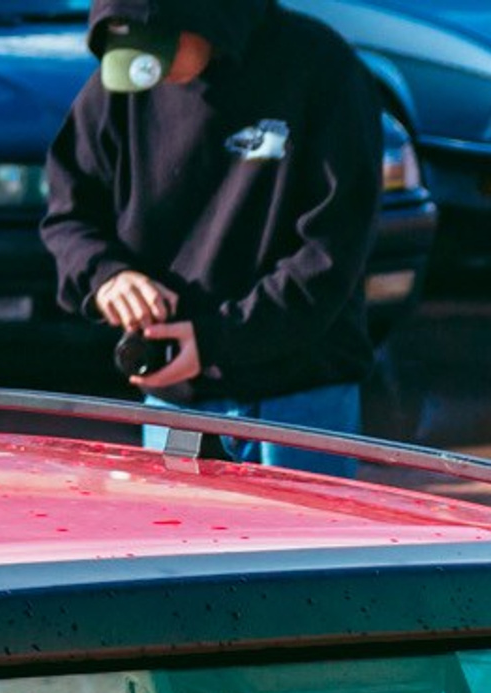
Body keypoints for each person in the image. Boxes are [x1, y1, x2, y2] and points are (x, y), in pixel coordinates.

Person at [41, 0, 383, 474]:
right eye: (132, 56)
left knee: (304, 549)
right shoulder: (116, 89)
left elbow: (331, 252)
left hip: (302, 403)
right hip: (178, 407)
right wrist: (107, 277)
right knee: (182, 546)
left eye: (158, 52)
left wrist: (216, 340)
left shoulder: (319, 68)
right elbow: (69, 215)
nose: (149, 74)